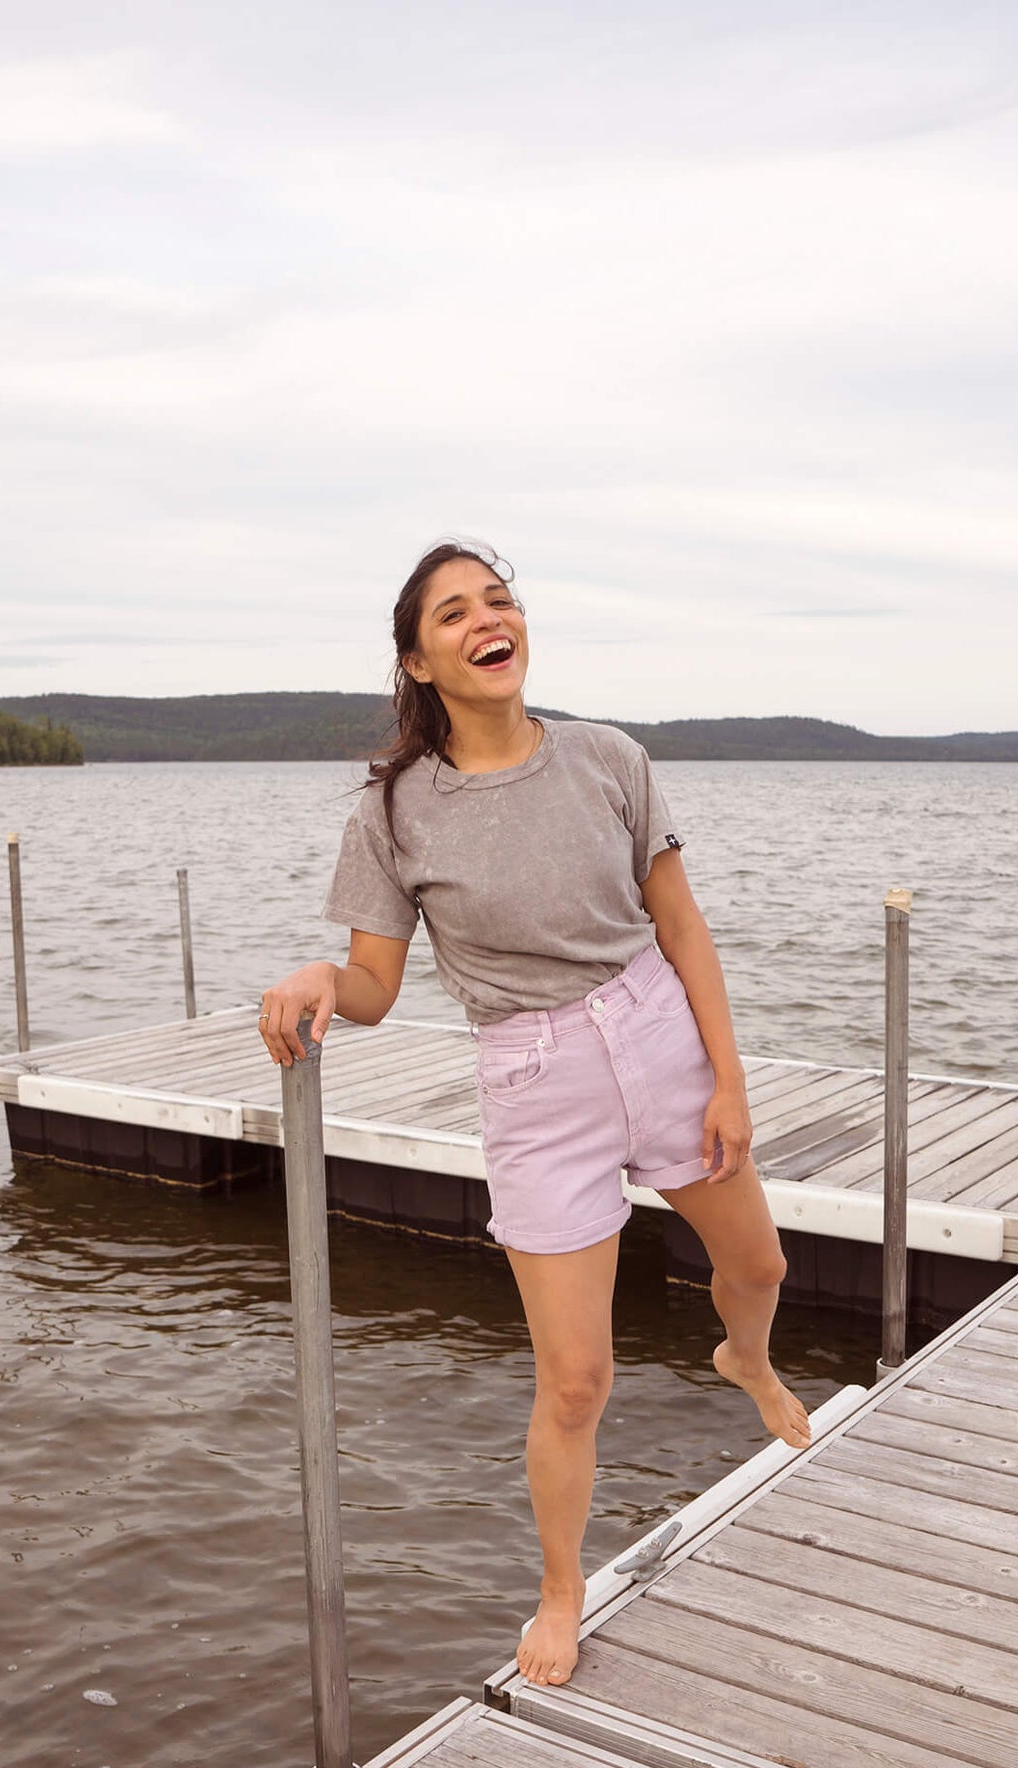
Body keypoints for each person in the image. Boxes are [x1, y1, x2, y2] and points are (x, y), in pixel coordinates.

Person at [257, 540, 811, 1690]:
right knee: (573, 1379)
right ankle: (560, 1591)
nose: (483, 621)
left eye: (496, 601)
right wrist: (319, 977)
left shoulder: (607, 758)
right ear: (418, 658)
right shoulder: (395, 810)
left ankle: (742, 1359)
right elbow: (373, 986)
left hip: (656, 1034)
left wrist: (728, 1079)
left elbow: (682, 924)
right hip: (532, 1079)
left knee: (756, 1261)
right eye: (452, 613)